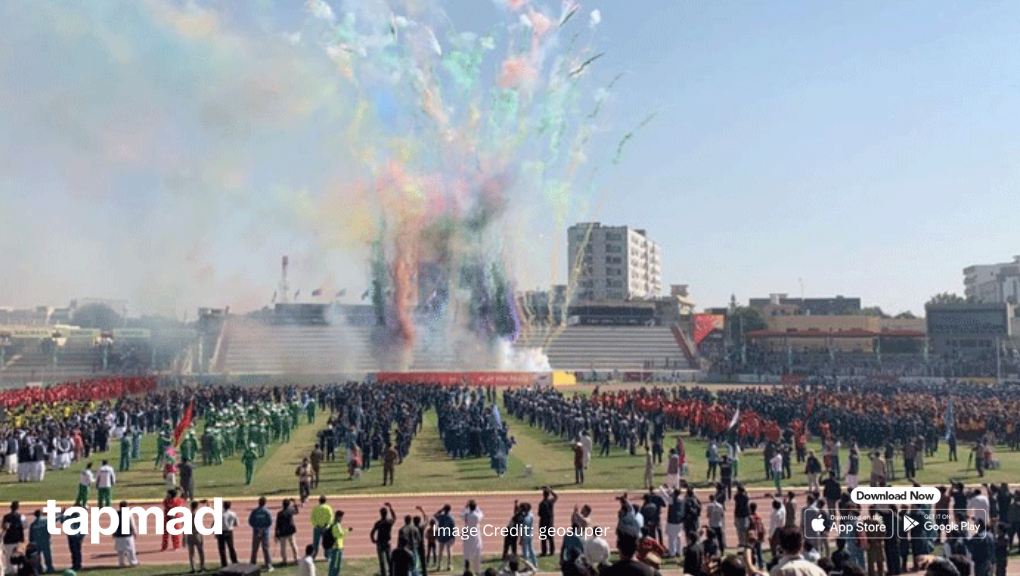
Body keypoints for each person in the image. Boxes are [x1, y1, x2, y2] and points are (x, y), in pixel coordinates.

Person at [370, 503, 397, 576]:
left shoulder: (378, 523)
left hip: (380, 543)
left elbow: (372, 532)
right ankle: (392, 573)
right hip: (387, 542)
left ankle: (384, 574)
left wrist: (373, 540)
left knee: (382, 561)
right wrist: (391, 508)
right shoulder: (389, 522)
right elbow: (395, 517)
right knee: (389, 560)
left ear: (380, 514)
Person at [248, 496, 274, 571]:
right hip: (264, 533)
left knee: (255, 549)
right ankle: (268, 565)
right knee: (266, 549)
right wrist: (263, 529)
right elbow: (270, 522)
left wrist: (256, 528)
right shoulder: (267, 511)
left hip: (256, 532)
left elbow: (250, 521)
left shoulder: (255, 511)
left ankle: (252, 564)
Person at [324, 510, 351, 576]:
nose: (342, 518)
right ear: (338, 516)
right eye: (341, 517)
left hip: (335, 546)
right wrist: (348, 531)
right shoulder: (336, 525)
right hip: (337, 546)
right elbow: (340, 534)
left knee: (333, 563)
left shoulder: (334, 524)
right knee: (336, 564)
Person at [113, 502, 139, 568]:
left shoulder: (116, 513)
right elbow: (132, 524)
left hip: (118, 535)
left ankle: (121, 563)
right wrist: (135, 532)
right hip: (127, 535)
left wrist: (113, 533)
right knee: (131, 549)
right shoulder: (128, 513)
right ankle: (133, 562)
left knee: (120, 550)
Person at [462, 500, 484, 575]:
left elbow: (462, 514)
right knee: (477, 556)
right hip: (475, 536)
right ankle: (477, 571)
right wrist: (476, 507)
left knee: (466, 555)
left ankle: (466, 570)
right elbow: (481, 514)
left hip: (468, 535)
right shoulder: (476, 516)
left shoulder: (467, 514)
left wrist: (466, 507)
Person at [2, 503, 25, 575]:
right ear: (18, 508)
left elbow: (3, 527)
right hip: (17, 539)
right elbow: (24, 527)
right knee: (17, 556)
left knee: (8, 556)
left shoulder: (6, 517)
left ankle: (9, 570)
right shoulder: (21, 516)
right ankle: (16, 570)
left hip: (8, 539)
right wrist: (22, 539)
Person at [275, 499, 299, 566]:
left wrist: (276, 533)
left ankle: (284, 560)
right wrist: (295, 503)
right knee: (293, 545)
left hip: (282, 532)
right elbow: (297, 511)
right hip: (290, 531)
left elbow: (277, 524)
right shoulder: (290, 511)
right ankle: (296, 558)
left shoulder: (279, 513)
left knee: (283, 547)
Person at [216, 501, 239, 567]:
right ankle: (234, 561)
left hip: (221, 531)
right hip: (229, 531)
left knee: (222, 549)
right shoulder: (233, 514)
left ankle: (224, 563)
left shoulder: (220, 514)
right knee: (231, 547)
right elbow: (236, 523)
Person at [186, 501, 206, 573]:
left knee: (191, 553)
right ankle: (202, 566)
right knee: (200, 551)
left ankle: (193, 568)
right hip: (197, 534)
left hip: (189, 534)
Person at [435, 504, 456, 571]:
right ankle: (449, 565)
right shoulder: (451, 518)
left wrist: (441, 510)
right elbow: (453, 528)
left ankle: (439, 565)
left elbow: (435, 515)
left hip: (441, 535)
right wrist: (453, 537)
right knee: (449, 550)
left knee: (440, 551)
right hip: (448, 535)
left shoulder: (441, 516)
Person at [538, 487, 558, 557]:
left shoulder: (541, 504)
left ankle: (544, 551)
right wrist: (550, 490)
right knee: (551, 538)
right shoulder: (551, 502)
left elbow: (539, 514)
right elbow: (556, 496)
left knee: (543, 538)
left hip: (543, 522)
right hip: (549, 522)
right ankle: (552, 551)